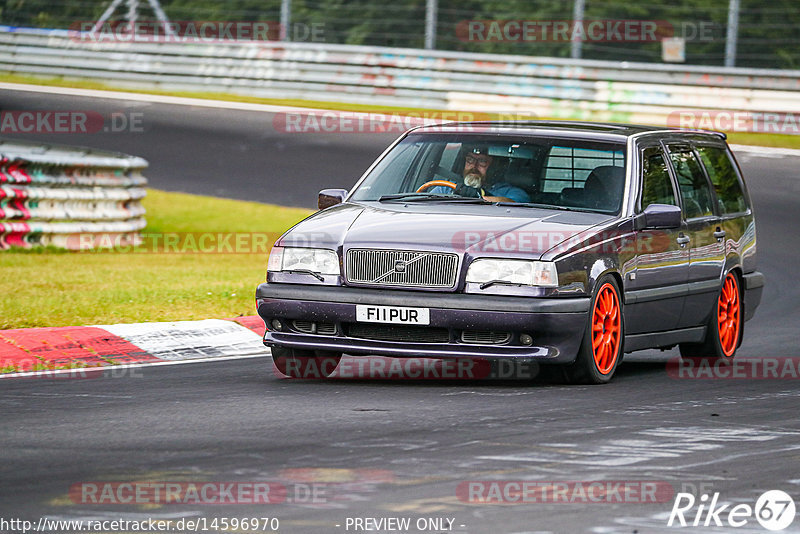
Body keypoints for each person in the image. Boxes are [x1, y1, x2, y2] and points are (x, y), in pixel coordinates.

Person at [429, 146, 530, 203]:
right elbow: (425, 202)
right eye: (470, 160)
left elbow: (515, 204)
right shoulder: (447, 188)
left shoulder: (511, 192)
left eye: (482, 161)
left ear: (493, 167)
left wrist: (479, 198)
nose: (474, 166)